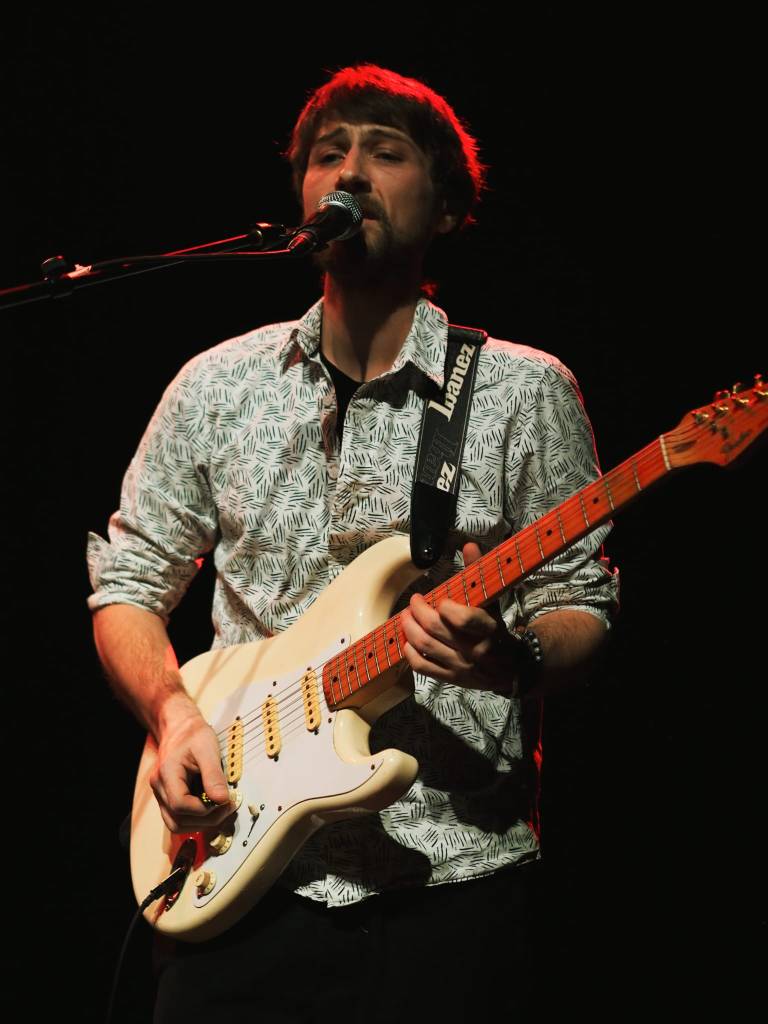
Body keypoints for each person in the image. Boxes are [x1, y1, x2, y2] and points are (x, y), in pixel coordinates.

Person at [88, 65, 619, 1022]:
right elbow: (128, 583)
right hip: (232, 872)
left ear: (448, 206)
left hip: (449, 881)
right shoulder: (217, 385)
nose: (351, 172)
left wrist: (514, 658)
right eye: (328, 154)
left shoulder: (524, 389)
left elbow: (581, 603)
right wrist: (174, 717)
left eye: (387, 152)